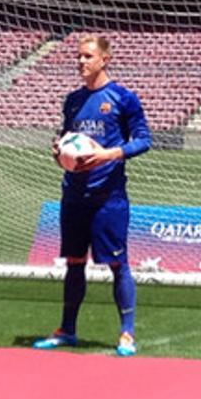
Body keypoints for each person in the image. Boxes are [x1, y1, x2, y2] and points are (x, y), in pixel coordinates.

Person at [33, 34, 151, 357]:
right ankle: (67, 329)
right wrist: (59, 152)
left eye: (87, 56)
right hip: (73, 196)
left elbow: (143, 140)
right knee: (73, 264)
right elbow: (66, 140)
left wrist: (108, 155)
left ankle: (127, 333)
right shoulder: (72, 100)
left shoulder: (123, 98)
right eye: (79, 56)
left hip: (107, 199)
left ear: (104, 59)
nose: (81, 62)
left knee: (117, 264)